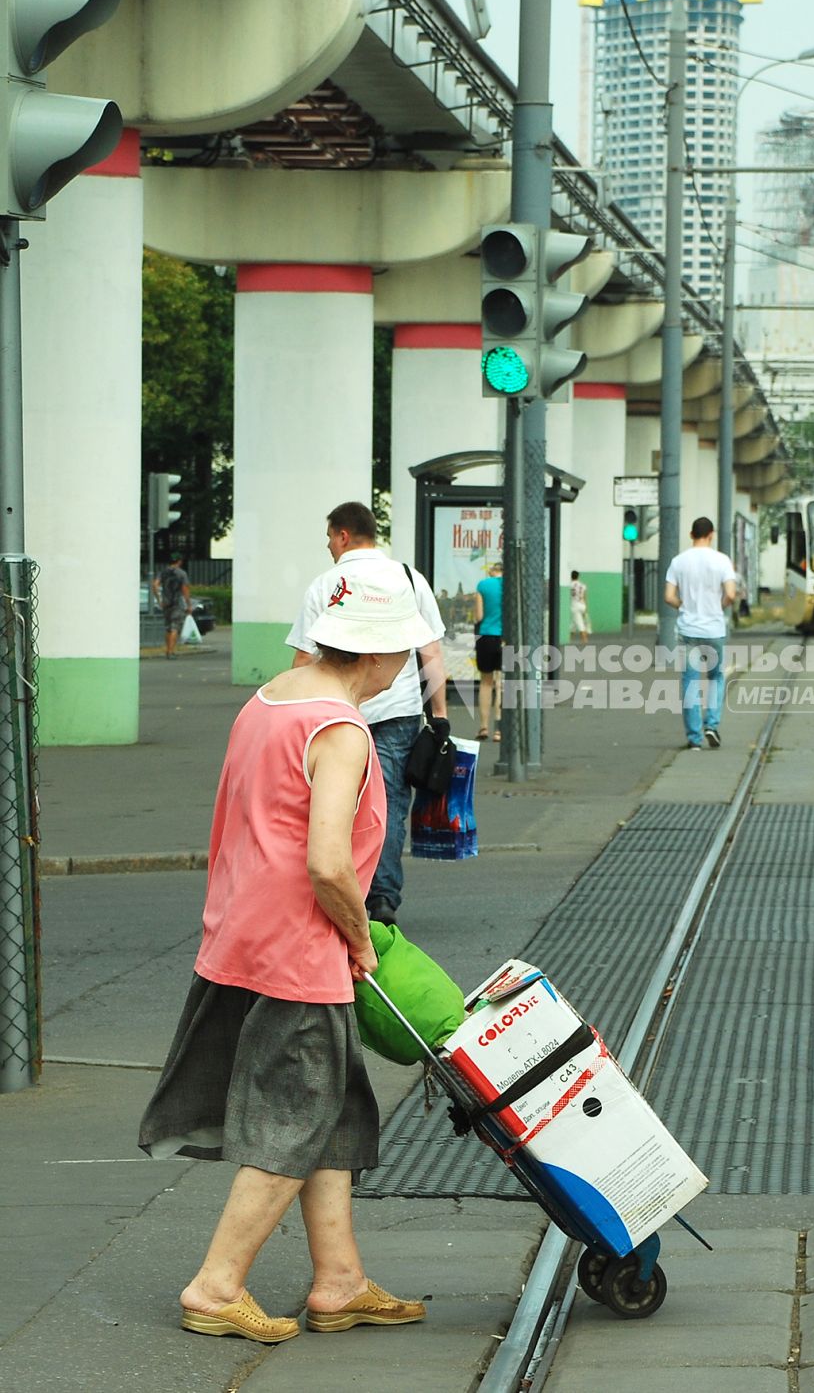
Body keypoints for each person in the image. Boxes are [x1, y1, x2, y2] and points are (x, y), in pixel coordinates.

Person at [138, 569, 431, 1343]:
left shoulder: (272, 697)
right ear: (383, 653)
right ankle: (215, 1285)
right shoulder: (339, 729)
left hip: (240, 936)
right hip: (299, 955)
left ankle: (339, 1281)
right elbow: (328, 862)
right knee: (293, 1119)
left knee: (332, 1107)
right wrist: (361, 938)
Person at [287, 502, 447, 928]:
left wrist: (291, 709)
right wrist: (441, 715)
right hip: (398, 711)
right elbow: (430, 652)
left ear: (342, 535)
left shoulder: (327, 583)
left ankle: (344, 889)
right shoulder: (409, 579)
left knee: (333, 801)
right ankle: (382, 899)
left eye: (328, 539)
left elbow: (305, 657)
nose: (328, 547)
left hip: (335, 712)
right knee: (390, 804)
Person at [664, 517, 736, 750]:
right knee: (716, 677)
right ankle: (711, 725)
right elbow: (731, 595)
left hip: (688, 630)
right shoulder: (722, 560)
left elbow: (668, 596)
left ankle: (694, 738)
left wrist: (683, 606)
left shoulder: (678, 561)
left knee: (690, 682)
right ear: (711, 534)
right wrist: (719, 605)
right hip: (714, 629)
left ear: (690, 534)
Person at [474, 560, 503, 740]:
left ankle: (484, 727)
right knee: (501, 683)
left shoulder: (483, 585)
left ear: (493, 571)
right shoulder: (511, 585)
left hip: (486, 637)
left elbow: (479, 616)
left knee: (486, 682)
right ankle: (499, 729)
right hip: (506, 638)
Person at [153, 553, 192, 660]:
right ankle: (171, 652)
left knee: (168, 627)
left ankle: (167, 650)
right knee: (175, 627)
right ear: (179, 561)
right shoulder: (182, 573)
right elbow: (185, 590)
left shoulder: (162, 572)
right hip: (177, 603)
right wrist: (189, 605)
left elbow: (155, 585)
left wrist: (159, 599)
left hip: (166, 603)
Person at [569, 570, 591, 643]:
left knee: (580, 624)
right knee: (574, 624)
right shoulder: (583, 585)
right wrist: (586, 608)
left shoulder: (570, 585)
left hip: (575, 606)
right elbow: (585, 597)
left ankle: (585, 640)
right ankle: (569, 639)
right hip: (582, 605)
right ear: (578, 576)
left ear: (571, 576)